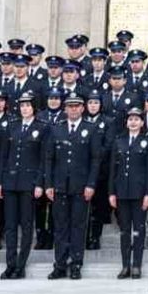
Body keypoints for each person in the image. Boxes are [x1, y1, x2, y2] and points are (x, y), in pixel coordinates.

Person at [45, 95, 101, 280]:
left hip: (80, 186)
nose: (74, 109)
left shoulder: (91, 129)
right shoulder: (56, 128)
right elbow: (49, 159)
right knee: (60, 227)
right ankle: (60, 264)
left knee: (78, 226)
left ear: (83, 108)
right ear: (65, 109)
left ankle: (76, 263)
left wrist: (91, 184)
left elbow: (95, 159)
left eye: (77, 106)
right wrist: (48, 184)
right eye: (70, 106)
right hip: (60, 185)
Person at [0, 92, 46, 279]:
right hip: (10, 182)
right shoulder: (11, 126)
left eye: (28, 105)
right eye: (22, 105)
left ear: (34, 108)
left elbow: (43, 158)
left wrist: (39, 183)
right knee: (10, 226)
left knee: (26, 225)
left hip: (28, 183)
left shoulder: (41, 127)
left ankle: (21, 264)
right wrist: (0, 182)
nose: (25, 109)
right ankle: (10, 264)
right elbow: (4, 156)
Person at [110, 107, 148, 279]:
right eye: (130, 119)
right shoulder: (118, 141)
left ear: (142, 122)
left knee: (139, 230)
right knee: (124, 231)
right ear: (126, 122)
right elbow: (113, 170)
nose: (133, 122)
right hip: (122, 192)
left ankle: (136, 265)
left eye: (137, 119)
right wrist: (111, 192)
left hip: (139, 193)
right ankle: (125, 266)